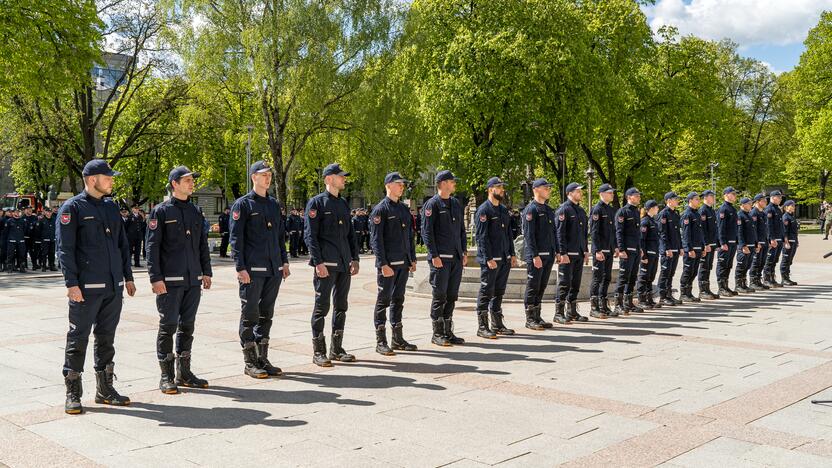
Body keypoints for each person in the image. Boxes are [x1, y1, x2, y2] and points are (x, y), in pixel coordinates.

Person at [57, 159, 136, 414]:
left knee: (106, 338)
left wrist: (128, 277)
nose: (112, 181)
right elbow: (65, 250)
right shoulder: (73, 208)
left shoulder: (111, 208)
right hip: (86, 288)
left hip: (113, 287)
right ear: (92, 180)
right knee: (78, 339)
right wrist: (71, 284)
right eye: (108, 177)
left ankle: (105, 389)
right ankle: (73, 392)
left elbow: (122, 245)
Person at [146, 166, 214, 393]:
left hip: (192, 280)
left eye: (192, 180)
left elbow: (202, 244)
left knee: (188, 326)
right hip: (170, 281)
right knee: (168, 327)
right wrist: (155, 278)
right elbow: (152, 248)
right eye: (187, 180)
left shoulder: (195, 211)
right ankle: (166, 375)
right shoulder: (161, 211)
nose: (191, 183)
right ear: (174, 183)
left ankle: (184, 372)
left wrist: (206, 271)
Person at [231, 161, 291, 377]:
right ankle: (249, 362)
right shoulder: (243, 205)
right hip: (252, 270)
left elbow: (279, 236)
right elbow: (236, 239)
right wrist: (240, 267)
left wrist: (283, 261)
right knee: (250, 314)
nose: (268, 178)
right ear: (253, 177)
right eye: (263, 175)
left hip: (273, 269)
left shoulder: (274, 205)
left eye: (269, 175)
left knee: (267, 314)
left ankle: (262, 358)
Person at [305, 163, 359, 366]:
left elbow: (350, 235)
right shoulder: (316, 203)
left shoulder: (343, 204)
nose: (344, 179)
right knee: (322, 307)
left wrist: (355, 258)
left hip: (344, 263)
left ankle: (337, 348)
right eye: (340, 176)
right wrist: (318, 262)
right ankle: (319, 351)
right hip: (325, 264)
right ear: (329, 179)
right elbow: (311, 236)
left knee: (341, 306)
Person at [369, 172, 418, 355]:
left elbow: (409, 236)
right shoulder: (380, 210)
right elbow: (376, 240)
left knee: (399, 299)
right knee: (383, 301)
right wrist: (382, 264)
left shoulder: (404, 209)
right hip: (388, 265)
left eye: (403, 184)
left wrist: (411, 258)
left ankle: (397, 338)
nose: (402, 187)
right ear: (388, 185)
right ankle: (380, 340)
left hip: (402, 263)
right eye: (398, 184)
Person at [422, 170, 468, 346]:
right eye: (451, 181)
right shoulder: (431, 205)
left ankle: (448, 330)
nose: (454, 184)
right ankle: (437, 333)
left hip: (455, 258)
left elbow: (462, 231)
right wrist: (434, 255)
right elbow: (427, 232)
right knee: (439, 295)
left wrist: (463, 252)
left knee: (452, 295)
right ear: (442, 183)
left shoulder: (456, 204)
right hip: (440, 258)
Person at [473, 177, 517, 338]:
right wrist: (488, 258)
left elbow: (508, 235)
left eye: (502, 187)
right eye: (499, 187)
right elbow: (481, 237)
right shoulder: (484, 210)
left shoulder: (503, 210)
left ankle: (497, 323)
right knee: (486, 291)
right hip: (491, 260)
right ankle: (482, 326)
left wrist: (512, 254)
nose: (502, 190)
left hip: (504, 258)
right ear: (491, 189)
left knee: (499, 291)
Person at [521, 178, 556, 330]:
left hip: (548, 254)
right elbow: (529, 236)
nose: (548, 190)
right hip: (537, 256)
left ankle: (537, 315)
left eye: (549, 187)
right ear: (536, 189)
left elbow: (553, 233)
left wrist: (557, 251)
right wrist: (535, 255)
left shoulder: (548, 210)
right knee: (533, 285)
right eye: (545, 187)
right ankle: (530, 318)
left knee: (542, 286)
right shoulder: (531, 210)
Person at [554, 182, 589, 324]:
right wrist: (562, 252)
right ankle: (559, 313)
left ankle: (572, 311)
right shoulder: (564, 210)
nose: (580, 193)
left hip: (579, 253)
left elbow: (584, 234)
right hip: (567, 254)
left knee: (575, 283)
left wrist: (585, 250)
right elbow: (559, 233)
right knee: (564, 283)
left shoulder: (580, 211)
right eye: (578, 191)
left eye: (580, 191)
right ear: (570, 193)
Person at [589, 184, 616, 319]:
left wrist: (615, 246)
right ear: (602, 194)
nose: (612, 195)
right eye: (610, 192)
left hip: (609, 249)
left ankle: (603, 304)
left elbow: (613, 231)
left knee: (607, 278)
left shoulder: (610, 210)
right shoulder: (597, 209)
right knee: (597, 278)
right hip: (600, 250)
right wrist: (597, 250)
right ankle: (594, 307)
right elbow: (594, 232)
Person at [614, 187, 643, 314]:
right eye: (636, 195)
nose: (638, 197)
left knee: (632, 277)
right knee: (623, 277)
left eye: (639, 196)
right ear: (629, 197)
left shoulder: (636, 212)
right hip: (626, 250)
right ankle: (618, 304)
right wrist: (621, 249)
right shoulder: (623, 212)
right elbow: (619, 232)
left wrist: (639, 248)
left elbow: (637, 233)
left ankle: (629, 302)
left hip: (635, 249)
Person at [658, 192, 682, 306]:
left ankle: (669, 294)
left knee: (671, 273)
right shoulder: (664, 214)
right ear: (668, 201)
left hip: (675, 247)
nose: (677, 201)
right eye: (675, 199)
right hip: (668, 249)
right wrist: (667, 248)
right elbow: (662, 233)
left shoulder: (676, 214)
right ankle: (662, 296)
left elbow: (678, 233)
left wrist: (680, 247)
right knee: (665, 273)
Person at [679, 192, 704, 302]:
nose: (699, 201)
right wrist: (688, 249)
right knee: (688, 270)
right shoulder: (687, 214)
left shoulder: (697, 214)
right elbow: (685, 234)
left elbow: (700, 232)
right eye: (696, 199)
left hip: (698, 247)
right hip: (691, 248)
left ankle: (689, 292)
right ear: (690, 201)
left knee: (694, 271)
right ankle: (684, 293)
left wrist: (702, 247)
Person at [637, 200, 661, 308]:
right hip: (648, 254)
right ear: (651, 208)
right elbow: (642, 240)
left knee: (650, 276)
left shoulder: (653, 221)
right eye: (656, 207)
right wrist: (644, 255)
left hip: (654, 253)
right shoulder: (645, 222)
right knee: (643, 276)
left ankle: (649, 298)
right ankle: (642, 299)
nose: (658, 209)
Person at [716, 187, 739, 297]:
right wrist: (722, 242)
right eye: (733, 194)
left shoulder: (732, 209)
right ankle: (721, 288)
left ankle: (726, 286)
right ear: (726, 195)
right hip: (726, 243)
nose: (735, 196)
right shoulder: (723, 209)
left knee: (728, 265)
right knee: (722, 265)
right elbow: (721, 228)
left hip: (732, 242)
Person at [697, 190, 719, 300]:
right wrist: (705, 244)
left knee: (708, 267)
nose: (713, 198)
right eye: (711, 196)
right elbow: (702, 230)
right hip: (707, 244)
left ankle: (707, 289)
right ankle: (702, 290)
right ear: (705, 197)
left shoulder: (711, 210)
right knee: (704, 267)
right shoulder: (703, 211)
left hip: (712, 243)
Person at [735, 197, 757, 293]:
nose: (751, 205)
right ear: (743, 205)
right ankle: (739, 285)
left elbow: (753, 231)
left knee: (747, 265)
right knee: (741, 265)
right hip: (745, 246)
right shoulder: (740, 216)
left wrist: (756, 243)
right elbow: (739, 232)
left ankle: (744, 284)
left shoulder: (749, 215)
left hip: (751, 245)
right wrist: (743, 245)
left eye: (751, 203)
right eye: (748, 203)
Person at [763, 190, 784, 288]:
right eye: (779, 197)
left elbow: (781, 225)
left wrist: (783, 238)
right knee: (770, 259)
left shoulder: (778, 209)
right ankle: (767, 279)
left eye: (781, 197)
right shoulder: (769, 209)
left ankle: (772, 278)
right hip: (773, 239)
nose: (780, 199)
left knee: (775, 260)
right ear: (773, 197)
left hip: (779, 238)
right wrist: (771, 238)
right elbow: (768, 226)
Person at [749, 194, 770, 290]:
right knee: (756, 262)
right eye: (764, 201)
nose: (766, 202)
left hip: (764, 241)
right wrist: (756, 242)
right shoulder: (754, 213)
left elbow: (765, 229)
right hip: (758, 242)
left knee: (762, 262)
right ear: (757, 202)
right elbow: (753, 230)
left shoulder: (763, 213)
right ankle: (753, 281)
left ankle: (758, 280)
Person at [780, 200, 799, 286]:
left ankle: (787, 277)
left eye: (794, 205)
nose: (793, 207)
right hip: (788, 242)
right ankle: (784, 278)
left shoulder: (792, 217)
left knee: (789, 260)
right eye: (791, 205)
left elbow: (794, 231)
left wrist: (796, 241)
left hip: (793, 241)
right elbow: (784, 231)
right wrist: (785, 241)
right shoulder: (785, 217)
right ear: (786, 207)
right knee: (785, 260)